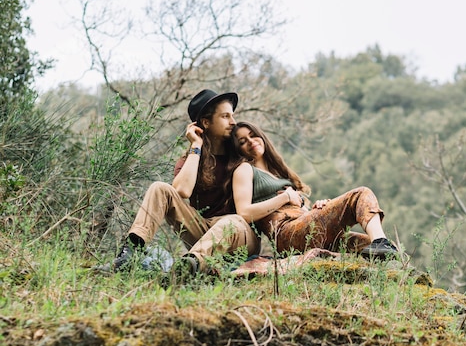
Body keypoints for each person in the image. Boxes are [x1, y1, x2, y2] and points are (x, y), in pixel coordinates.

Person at [96, 90, 260, 280]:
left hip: (241, 233)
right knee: (160, 188)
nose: (233, 122)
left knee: (231, 221)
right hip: (206, 232)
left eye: (232, 115)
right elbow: (181, 191)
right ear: (206, 123)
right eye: (225, 116)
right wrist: (196, 146)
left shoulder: (241, 155)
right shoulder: (192, 158)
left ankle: (188, 265)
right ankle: (131, 254)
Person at [229, 121, 398, 259]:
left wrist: (317, 209)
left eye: (253, 135)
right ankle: (380, 242)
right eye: (243, 141)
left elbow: (298, 210)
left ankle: (384, 253)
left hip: (304, 226)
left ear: (261, 136)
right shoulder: (244, 169)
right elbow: (244, 212)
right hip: (287, 234)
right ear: (238, 149)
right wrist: (286, 196)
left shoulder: (278, 173)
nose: (251, 141)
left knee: (371, 245)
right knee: (360, 194)